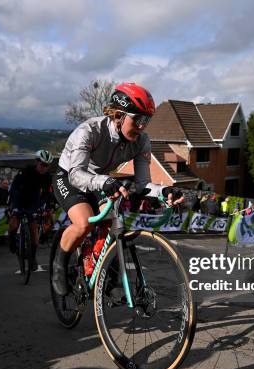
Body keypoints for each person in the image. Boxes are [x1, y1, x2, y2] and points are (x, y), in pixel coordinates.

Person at [51, 82, 183, 296]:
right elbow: (77, 175)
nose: (142, 126)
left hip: (100, 179)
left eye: (146, 120)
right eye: (138, 119)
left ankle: (100, 263)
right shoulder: (89, 131)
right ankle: (60, 263)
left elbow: (142, 184)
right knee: (84, 223)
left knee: (113, 221)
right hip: (69, 176)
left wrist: (164, 192)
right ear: (118, 115)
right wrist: (104, 182)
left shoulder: (142, 142)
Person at [8, 150, 54, 272]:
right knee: (14, 222)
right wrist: (11, 204)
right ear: (37, 162)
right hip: (19, 197)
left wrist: (45, 207)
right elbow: (13, 187)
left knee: (34, 230)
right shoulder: (26, 171)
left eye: (47, 166)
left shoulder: (47, 177)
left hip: (33, 201)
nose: (44, 168)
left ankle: (32, 257)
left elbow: (47, 194)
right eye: (42, 164)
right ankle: (12, 239)